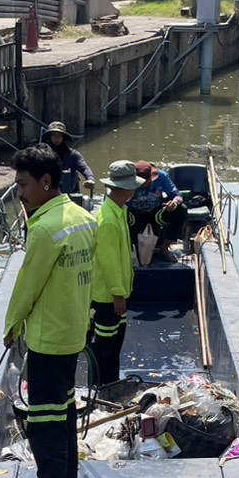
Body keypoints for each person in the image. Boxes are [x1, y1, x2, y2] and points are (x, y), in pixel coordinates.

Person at [3, 144, 98, 478]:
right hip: (73, 332)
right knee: (65, 415)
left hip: (47, 340)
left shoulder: (44, 229)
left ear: (45, 182)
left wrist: (11, 325)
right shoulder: (83, 218)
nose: (20, 194)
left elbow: (28, 285)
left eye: (24, 185)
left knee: (44, 426)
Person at [88, 159, 141, 386]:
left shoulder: (119, 212)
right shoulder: (108, 220)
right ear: (127, 190)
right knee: (105, 346)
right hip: (107, 297)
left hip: (116, 294)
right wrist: (118, 294)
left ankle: (111, 383)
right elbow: (109, 261)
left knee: (115, 343)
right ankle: (100, 387)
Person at [127, 160, 185, 262]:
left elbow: (177, 195)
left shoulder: (162, 176)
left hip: (156, 214)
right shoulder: (127, 180)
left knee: (181, 209)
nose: (145, 185)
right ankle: (129, 248)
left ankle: (165, 248)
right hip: (135, 216)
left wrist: (174, 202)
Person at [42, 121, 95, 199]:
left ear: (63, 137)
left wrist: (90, 179)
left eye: (59, 135)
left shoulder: (73, 155)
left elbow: (84, 168)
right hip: (49, 195)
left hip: (71, 195)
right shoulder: (43, 155)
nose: (56, 138)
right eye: (53, 135)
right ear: (49, 137)